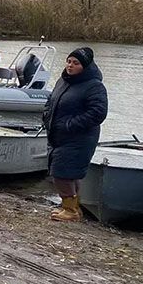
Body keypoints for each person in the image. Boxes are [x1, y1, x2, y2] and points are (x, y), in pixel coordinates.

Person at [42, 47, 108, 222]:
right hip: (58, 135)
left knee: (62, 173)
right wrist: (46, 116)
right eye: (69, 61)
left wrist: (70, 125)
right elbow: (51, 101)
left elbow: (98, 113)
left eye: (76, 63)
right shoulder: (63, 81)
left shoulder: (95, 86)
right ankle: (73, 208)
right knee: (67, 172)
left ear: (85, 66)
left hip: (79, 137)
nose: (70, 66)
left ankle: (70, 210)